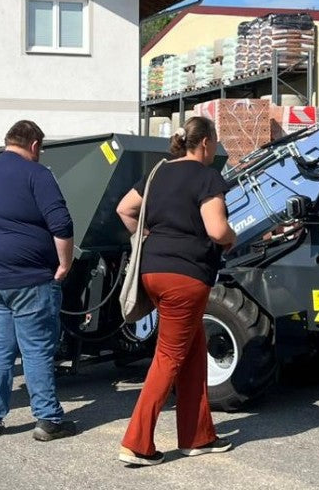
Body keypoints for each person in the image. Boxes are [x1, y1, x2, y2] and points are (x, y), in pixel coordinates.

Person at [115, 116, 236, 466]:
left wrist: (146, 236)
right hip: (186, 277)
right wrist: (233, 237)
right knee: (168, 358)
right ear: (206, 143)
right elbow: (216, 229)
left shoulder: (158, 173)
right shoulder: (207, 177)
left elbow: (125, 208)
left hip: (153, 272)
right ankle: (136, 442)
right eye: (214, 142)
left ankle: (197, 437)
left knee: (193, 351)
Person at [0, 120, 77, 441]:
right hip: (30, 277)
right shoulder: (37, 174)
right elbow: (61, 223)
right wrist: (64, 264)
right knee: (37, 348)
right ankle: (47, 419)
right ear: (34, 146)